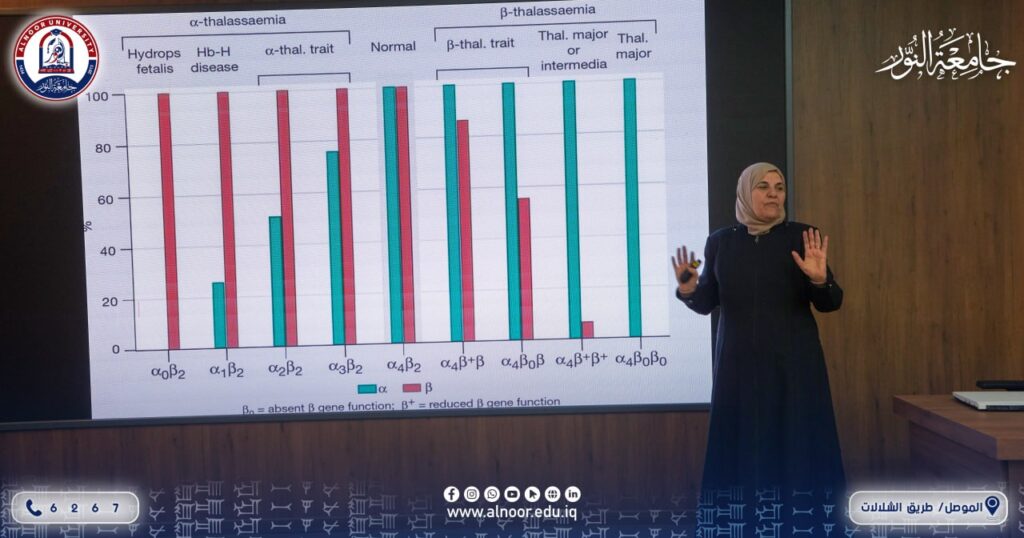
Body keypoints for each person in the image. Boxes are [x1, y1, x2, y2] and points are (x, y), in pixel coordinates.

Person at [672, 162, 845, 503]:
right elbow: (706, 301)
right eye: (763, 187)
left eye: (779, 188)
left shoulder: (803, 238)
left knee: (797, 448)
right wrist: (688, 289)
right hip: (737, 371)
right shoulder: (720, 242)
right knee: (740, 453)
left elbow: (831, 302)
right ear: (744, 193)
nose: (773, 194)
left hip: (792, 369)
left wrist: (819, 280)